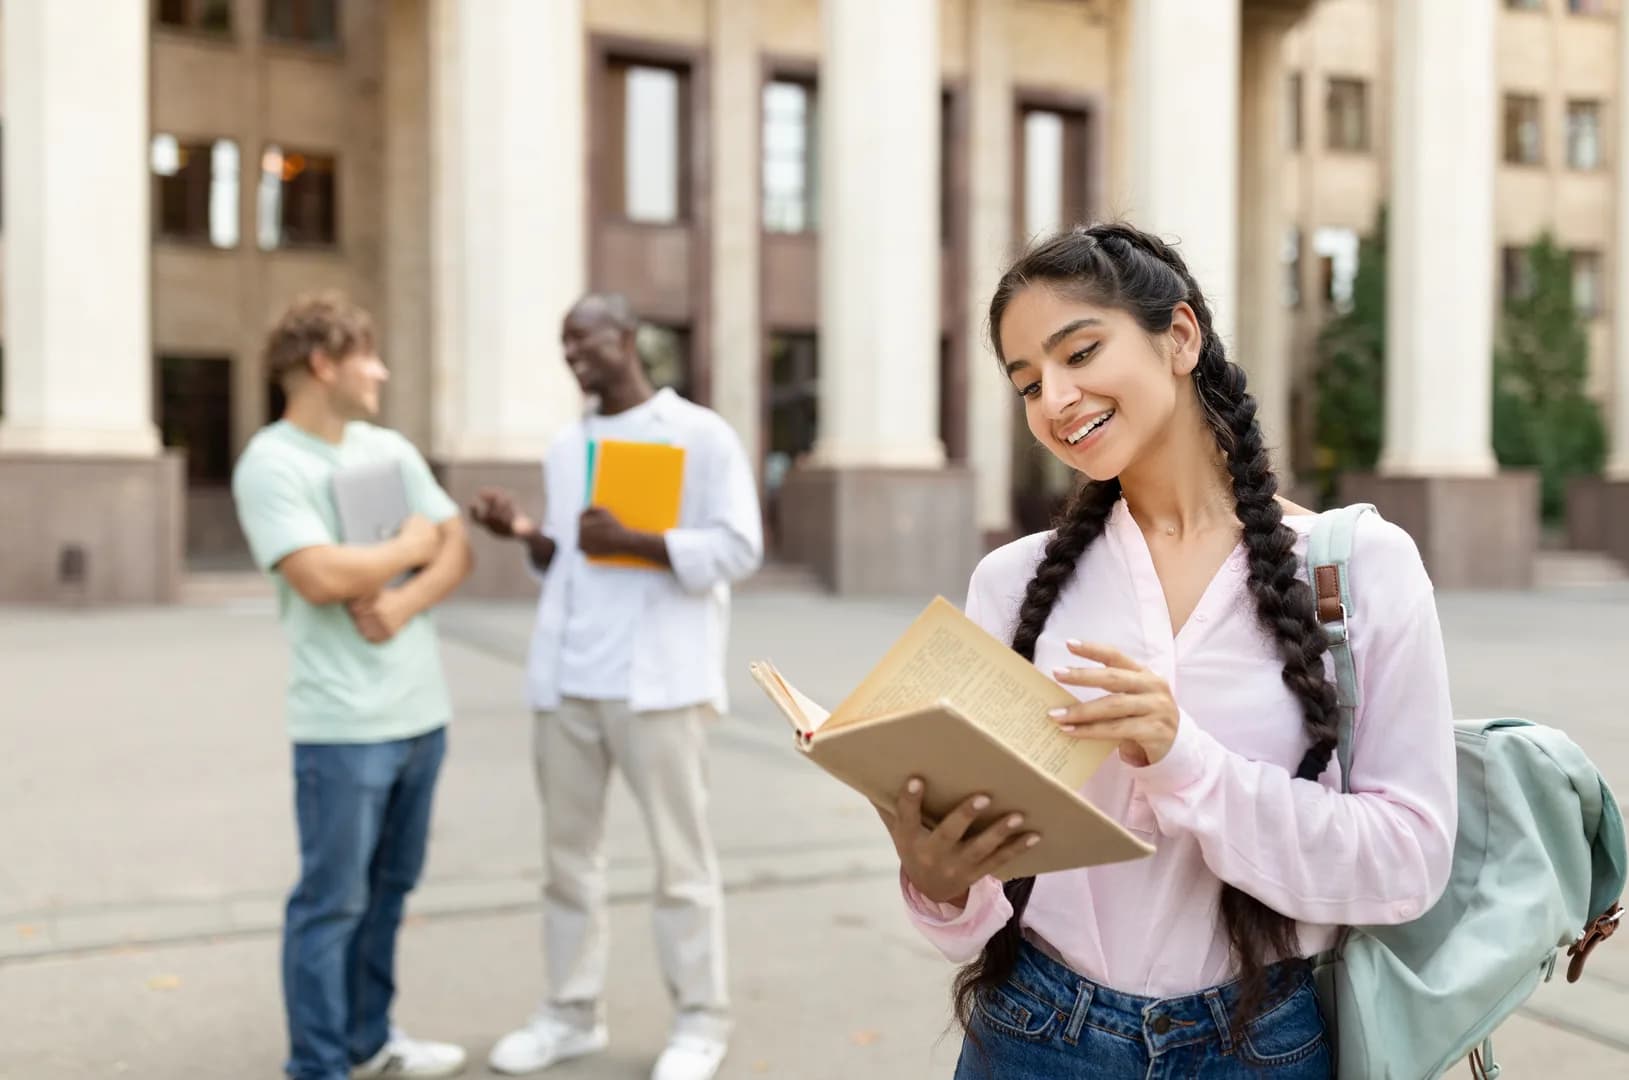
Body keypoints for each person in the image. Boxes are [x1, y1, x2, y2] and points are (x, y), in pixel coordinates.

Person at [877, 224, 1458, 1078]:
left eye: (1080, 352)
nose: (1057, 398)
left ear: (1179, 336)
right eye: (1028, 383)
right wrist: (938, 878)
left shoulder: (1357, 567)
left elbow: (1406, 864)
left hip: (1259, 1046)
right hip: (1033, 1032)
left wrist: (1184, 759)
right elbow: (987, 893)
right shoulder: (1012, 582)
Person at [470, 293, 763, 1080]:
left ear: (628, 339)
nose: (573, 353)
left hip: (657, 684)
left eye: (586, 338)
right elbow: (572, 557)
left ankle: (700, 1020)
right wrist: (527, 536)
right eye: (563, 342)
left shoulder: (700, 435)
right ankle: (569, 1014)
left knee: (680, 862)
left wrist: (641, 541)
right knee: (567, 863)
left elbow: (739, 548)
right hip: (567, 679)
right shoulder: (569, 445)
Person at [232, 293, 474, 1080]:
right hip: (340, 727)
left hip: (419, 716)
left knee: (389, 892)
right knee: (331, 905)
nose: (382, 370)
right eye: (366, 355)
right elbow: (316, 573)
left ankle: (369, 1041)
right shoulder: (272, 463)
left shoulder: (385, 447)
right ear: (322, 364)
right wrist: (407, 543)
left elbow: (456, 547)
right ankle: (318, 1065)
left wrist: (402, 596)